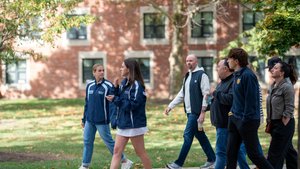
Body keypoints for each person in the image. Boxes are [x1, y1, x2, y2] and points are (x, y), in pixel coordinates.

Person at [164, 54, 216, 169]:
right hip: (189, 113)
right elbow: (181, 94)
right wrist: (170, 106)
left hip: (196, 113)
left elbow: (206, 95)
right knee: (200, 136)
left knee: (187, 136)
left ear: (196, 62)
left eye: (191, 61)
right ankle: (212, 159)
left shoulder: (202, 75)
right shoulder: (187, 76)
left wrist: (202, 113)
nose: (188, 63)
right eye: (187, 61)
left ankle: (178, 163)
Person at [226, 48, 273, 169]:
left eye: (229, 59)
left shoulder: (248, 76)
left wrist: (244, 121)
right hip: (235, 119)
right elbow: (237, 98)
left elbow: (251, 102)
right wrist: (232, 114)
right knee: (231, 153)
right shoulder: (236, 75)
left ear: (236, 61)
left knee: (254, 154)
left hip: (248, 121)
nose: (227, 61)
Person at [79, 64, 133, 169]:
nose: (102, 72)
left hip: (102, 121)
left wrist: (113, 119)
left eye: (103, 70)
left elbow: (113, 104)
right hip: (90, 120)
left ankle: (125, 161)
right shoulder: (89, 86)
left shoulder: (108, 86)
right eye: (99, 71)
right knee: (87, 141)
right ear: (94, 72)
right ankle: (85, 165)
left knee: (109, 142)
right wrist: (84, 119)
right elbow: (87, 103)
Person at [106, 58, 152, 169]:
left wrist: (115, 99)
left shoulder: (137, 85)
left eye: (122, 66)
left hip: (134, 125)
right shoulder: (123, 83)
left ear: (129, 69)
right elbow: (121, 99)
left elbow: (132, 105)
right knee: (116, 151)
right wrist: (115, 88)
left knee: (140, 153)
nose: (120, 68)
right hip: (123, 123)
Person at [210, 59, 249, 169]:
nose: (216, 69)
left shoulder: (233, 82)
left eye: (218, 66)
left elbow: (231, 99)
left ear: (225, 69)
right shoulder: (222, 82)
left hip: (226, 124)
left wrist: (215, 93)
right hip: (221, 123)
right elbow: (217, 100)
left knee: (221, 152)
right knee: (237, 152)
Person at [266, 61, 298, 169]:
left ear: (282, 72)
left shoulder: (287, 87)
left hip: (283, 124)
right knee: (287, 151)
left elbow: (289, 108)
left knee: (274, 156)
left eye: (275, 68)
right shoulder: (273, 85)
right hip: (274, 123)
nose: (272, 69)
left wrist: (282, 125)